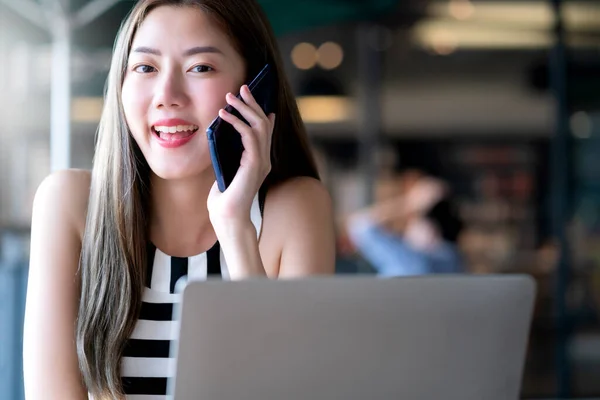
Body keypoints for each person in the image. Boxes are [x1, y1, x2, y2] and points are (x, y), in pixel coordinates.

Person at [22, 1, 336, 399]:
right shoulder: (67, 205)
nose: (166, 96)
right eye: (145, 68)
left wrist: (236, 228)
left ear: (257, 87)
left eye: (200, 67)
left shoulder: (294, 210)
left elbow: (289, 391)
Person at [346, 170, 464, 276]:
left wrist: (407, 204)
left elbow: (359, 225)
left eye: (416, 217)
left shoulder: (410, 262)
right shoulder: (454, 261)